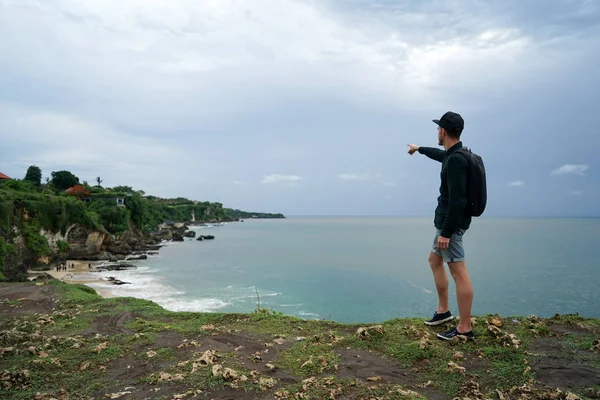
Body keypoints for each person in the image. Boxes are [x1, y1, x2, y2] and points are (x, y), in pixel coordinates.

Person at [407, 111, 475, 341]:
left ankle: (465, 327)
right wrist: (419, 149)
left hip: (450, 225)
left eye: (438, 129)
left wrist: (446, 232)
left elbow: (458, 200)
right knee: (434, 260)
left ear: (443, 131)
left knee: (459, 272)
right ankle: (443, 311)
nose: (437, 132)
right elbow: (439, 154)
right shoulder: (455, 154)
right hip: (446, 223)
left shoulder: (455, 160)